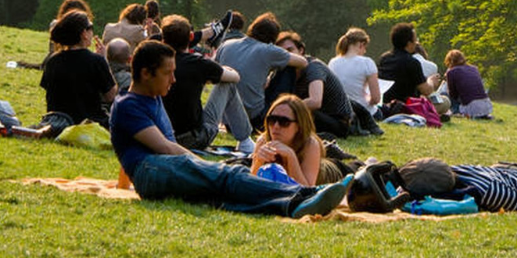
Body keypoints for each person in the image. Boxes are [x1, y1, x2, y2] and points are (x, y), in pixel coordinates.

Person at [109, 39, 353, 217]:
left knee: (221, 197)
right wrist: (203, 164)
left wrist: (123, 184)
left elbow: (128, 149)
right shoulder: (128, 105)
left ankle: (290, 205)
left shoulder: (151, 97)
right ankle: (303, 195)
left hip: (159, 169)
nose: (174, 79)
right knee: (229, 176)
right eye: (167, 73)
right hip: (155, 169)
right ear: (145, 73)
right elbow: (164, 147)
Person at [159, 14, 254, 154]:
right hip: (194, 139)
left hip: (161, 137)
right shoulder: (198, 64)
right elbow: (235, 77)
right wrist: (223, 70)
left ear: (163, 38)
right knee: (227, 84)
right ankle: (245, 141)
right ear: (191, 37)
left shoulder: (156, 61)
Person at [212, 12, 307, 131]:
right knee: (289, 67)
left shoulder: (226, 45)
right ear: (273, 38)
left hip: (228, 120)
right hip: (255, 119)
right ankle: (284, 115)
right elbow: (303, 62)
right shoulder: (269, 50)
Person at [40, 9, 116, 130]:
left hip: (57, 122)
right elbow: (110, 96)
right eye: (90, 27)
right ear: (84, 33)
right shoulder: (96, 61)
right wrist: (105, 61)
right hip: (89, 122)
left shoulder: (52, 61)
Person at [250, 94, 325, 186]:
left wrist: (291, 157)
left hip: (326, 177)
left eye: (284, 122)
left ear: (299, 126)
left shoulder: (310, 144)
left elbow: (307, 190)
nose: (276, 126)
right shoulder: (263, 141)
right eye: (272, 120)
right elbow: (251, 184)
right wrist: (258, 161)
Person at [378, 23, 437, 103]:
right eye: (415, 40)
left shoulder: (384, 59)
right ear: (409, 43)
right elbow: (426, 91)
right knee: (445, 102)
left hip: (385, 105)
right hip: (407, 106)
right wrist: (431, 81)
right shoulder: (412, 62)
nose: (416, 43)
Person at [443, 49, 493, 119]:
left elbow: (452, 94)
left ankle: (455, 111)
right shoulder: (474, 68)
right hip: (486, 106)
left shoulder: (451, 72)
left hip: (471, 108)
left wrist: (447, 79)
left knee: (444, 94)